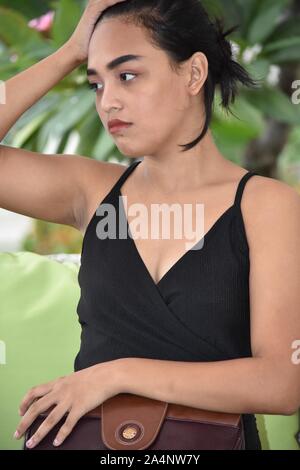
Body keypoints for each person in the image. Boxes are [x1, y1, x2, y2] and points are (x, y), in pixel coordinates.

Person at [1, 0, 299, 450]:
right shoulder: (90, 190)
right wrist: (69, 52)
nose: (108, 101)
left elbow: (280, 383)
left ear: (194, 75)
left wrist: (117, 374)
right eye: (96, 83)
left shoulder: (268, 206)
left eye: (127, 75)